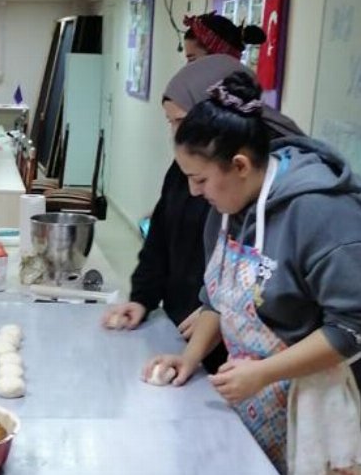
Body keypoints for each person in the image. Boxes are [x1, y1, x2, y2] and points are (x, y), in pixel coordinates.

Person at [144, 71, 361, 473]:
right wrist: (189, 357)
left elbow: (351, 328)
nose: (195, 192)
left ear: (240, 165)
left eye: (200, 179)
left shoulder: (321, 212)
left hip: (314, 403)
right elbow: (219, 298)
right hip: (254, 394)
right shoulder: (226, 208)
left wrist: (263, 373)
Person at [101, 55, 303, 374]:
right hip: (190, 331)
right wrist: (143, 298)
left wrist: (222, 312)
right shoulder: (185, 169)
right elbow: (161, 235)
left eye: (181, 121)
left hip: (246, 354)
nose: (176, 134)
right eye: (171, 123)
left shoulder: (269, 182)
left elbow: (274, 278)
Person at [182, 11, 266, 62]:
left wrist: (194, 21)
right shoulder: (234, 58)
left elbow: (201, 24)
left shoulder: (222, 22)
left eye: (192, 59)